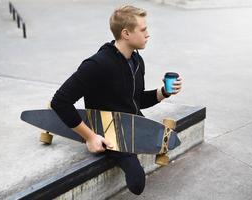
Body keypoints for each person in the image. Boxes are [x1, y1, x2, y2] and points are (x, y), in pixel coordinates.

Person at [51, 5, 182, 195]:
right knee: (137, 183)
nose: (148, 34)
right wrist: (90, 137)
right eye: (143, 29)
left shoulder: (137, 61)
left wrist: (163, 92)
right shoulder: (97, 64)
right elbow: (60, 101)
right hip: (109, 132)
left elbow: (135, 100)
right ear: (126, 33)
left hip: (133, 124)